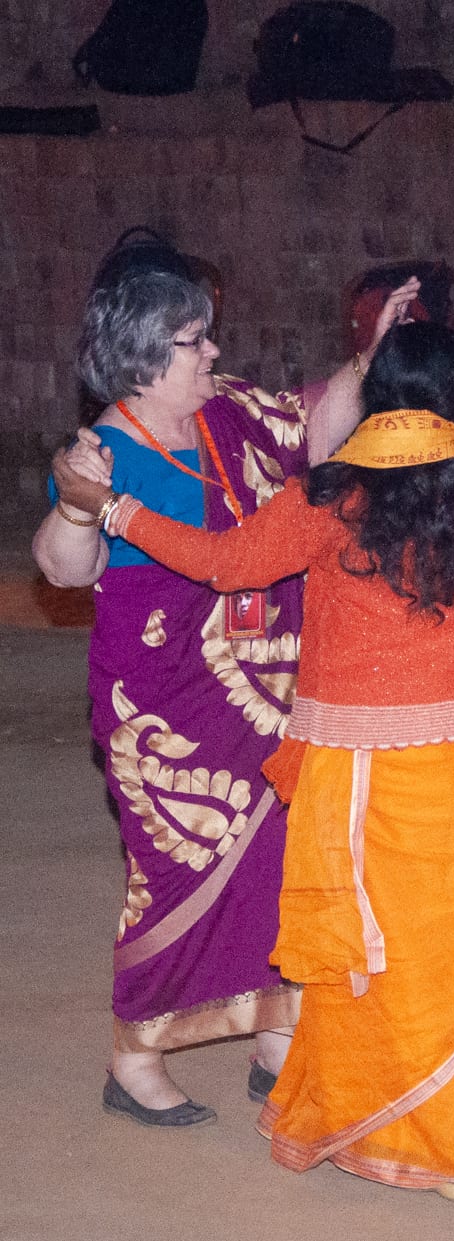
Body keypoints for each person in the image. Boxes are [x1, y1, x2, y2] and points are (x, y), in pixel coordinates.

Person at [52, 288, 454, 1198]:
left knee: (371, 951)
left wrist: (115, 512)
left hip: (360, 769)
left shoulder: (325, 497)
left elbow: (223, 564)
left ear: (379, 401)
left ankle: (365, 1118)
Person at [34, 244, 416, 1128]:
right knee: (174, 873)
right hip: (165, 709)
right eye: (193, 340)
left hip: (271, 691)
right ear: (141, 356)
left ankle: (276, 1039)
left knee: (282, 859)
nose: (213, 351)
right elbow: (61, 566)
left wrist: (370, 356)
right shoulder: (103, 454)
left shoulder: (231, 411)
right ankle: (134, 1058)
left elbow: (316, 425)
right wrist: (78, 505)